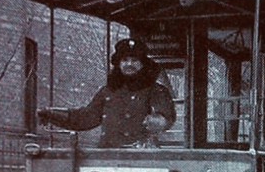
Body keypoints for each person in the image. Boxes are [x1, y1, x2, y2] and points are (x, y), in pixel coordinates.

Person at [38, 38, 176, 148]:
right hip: (106, 158)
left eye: (134, 60)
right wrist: (52, 114)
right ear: (118, 64)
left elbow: (165, 117)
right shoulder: (108, 91)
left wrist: (157, 121)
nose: (129, 64)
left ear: (143, 64)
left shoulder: (156, 91)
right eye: (125, 60)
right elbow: (86, 118)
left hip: (141, 158)